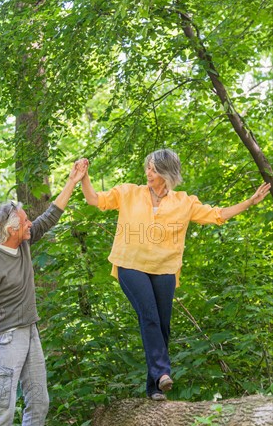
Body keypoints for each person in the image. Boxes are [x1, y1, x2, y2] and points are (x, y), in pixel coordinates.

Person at [76, 150, 270, 401]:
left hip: (165, 269)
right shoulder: (129, 193)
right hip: (130, 264)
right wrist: (83, 177)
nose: (148, 172)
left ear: (167, 174)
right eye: (147, 167)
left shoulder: (184, 202)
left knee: (162, 325)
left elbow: (217, 215)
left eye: (154, 169)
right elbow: (94, 199)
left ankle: (155, 387)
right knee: (149, 316)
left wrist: (249, 202)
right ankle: (163, 373)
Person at [0, 163, 87, 426]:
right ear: (11, 229)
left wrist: (72, 181)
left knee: (39, 399)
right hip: (6, 338)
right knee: (4, 403)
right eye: (24, 222)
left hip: (30, 331)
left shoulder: (24, 241)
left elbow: (50, 216)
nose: (29, 225)